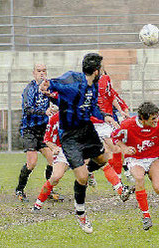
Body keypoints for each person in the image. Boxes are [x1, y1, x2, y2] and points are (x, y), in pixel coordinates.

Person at [43, 53, 119, 234]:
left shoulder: (93, 86)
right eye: (101, 68)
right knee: (82, 177)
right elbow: (58, 83)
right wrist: (48, 84)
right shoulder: (74, 83)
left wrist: (106, 116)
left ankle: (87, 170)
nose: (102, 70)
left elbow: (92, 107)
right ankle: (81, 213)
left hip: (87, 130)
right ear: (95, 70)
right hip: (70, 136)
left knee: (104, 157)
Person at [33, 108, 130, 212]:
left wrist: (108, 119)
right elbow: (47, 139)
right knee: (56, 177)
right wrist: (54, 148)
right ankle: (38, 203)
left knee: (102, 161)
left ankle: (120, 189)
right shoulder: (55, 119)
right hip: (64, 151)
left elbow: (97, 119)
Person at [112, 101, 159, 231]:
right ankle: (146, 216)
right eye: (153, 118)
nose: (156, 120)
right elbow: (114, 138)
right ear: (143, 119)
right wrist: (124, 148)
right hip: (135, 158)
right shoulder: (128, 125)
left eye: (157, 117)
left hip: (153, 158)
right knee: (139, 177)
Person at [15, 64, 56, 202]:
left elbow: (57, 100)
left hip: (43, 131)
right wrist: (44, 112)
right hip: (29, 130)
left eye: (44, 71)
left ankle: (48, 191)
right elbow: (27, 109)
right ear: (34, 73)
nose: (42, 73)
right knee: (32, 163)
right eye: (39, 71)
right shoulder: (29, 89)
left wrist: (55, 103)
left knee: (52, 160)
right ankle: (19, 189)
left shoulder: (49, 88)